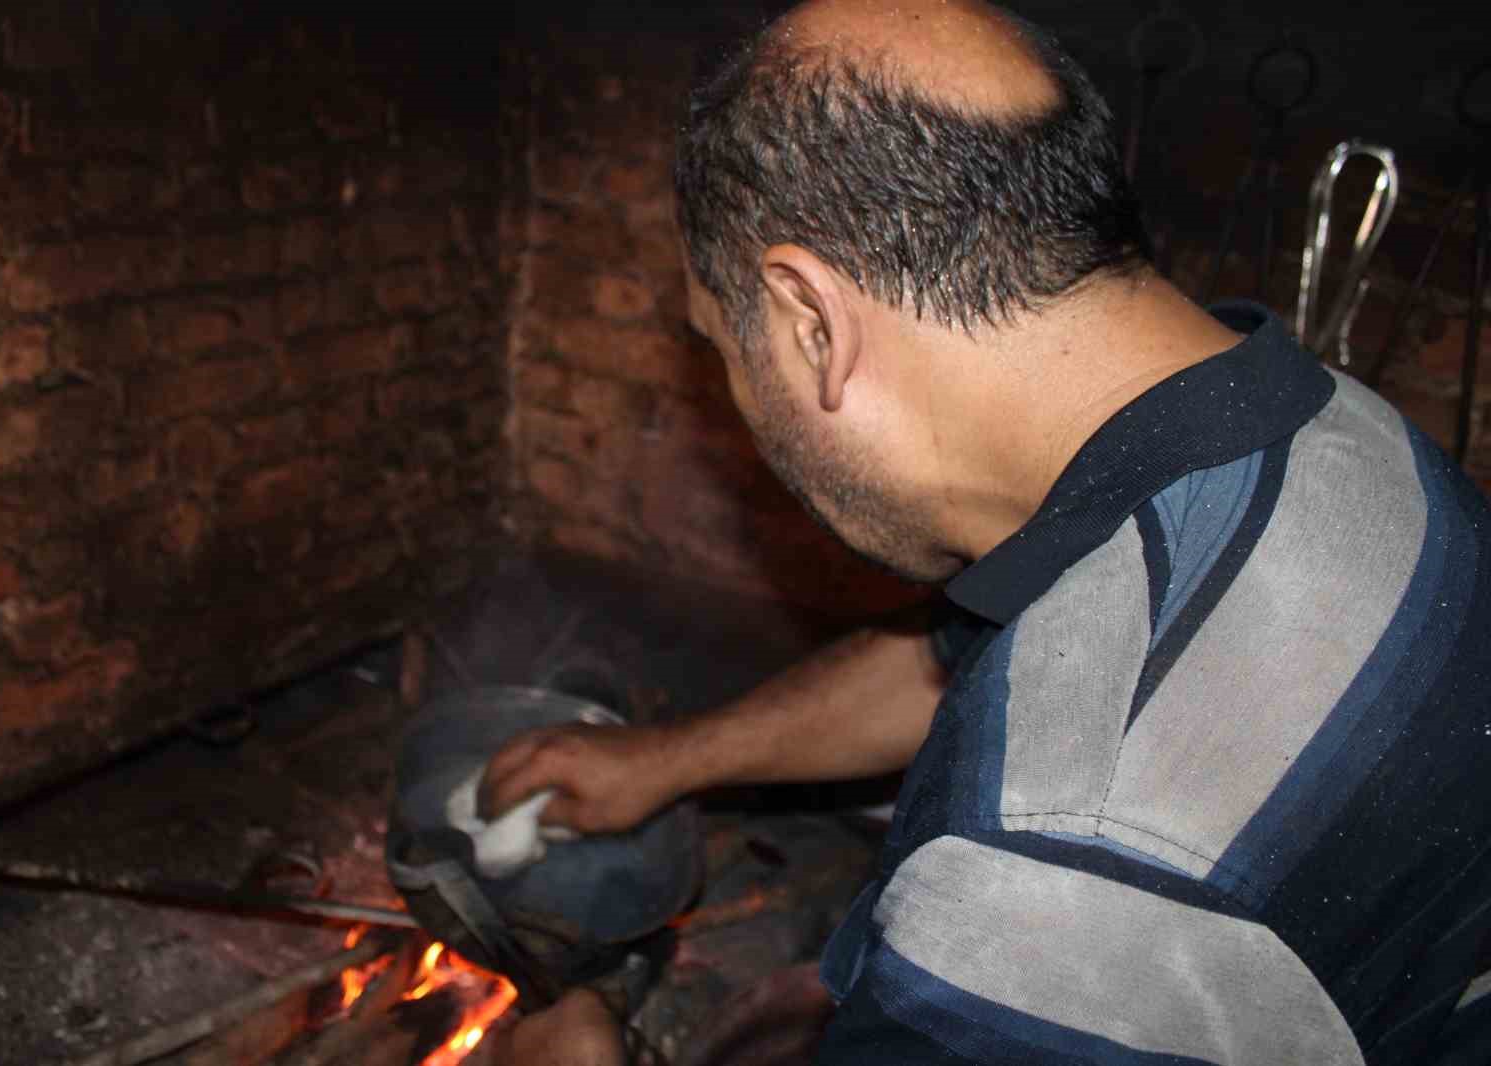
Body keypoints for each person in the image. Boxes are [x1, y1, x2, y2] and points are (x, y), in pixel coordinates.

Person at [479, 1, 1491, 1063]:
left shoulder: (1049, 892)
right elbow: (974, 663)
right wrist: (667, 760)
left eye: (717, 347)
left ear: (809, 324)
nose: (727, 390)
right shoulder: (1326, 429)